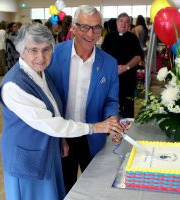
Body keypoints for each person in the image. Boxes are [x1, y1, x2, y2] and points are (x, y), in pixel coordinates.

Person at [0, 23, 122, 200]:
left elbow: (54, 108)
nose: (41, 57)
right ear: (21, 51)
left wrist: (61, 140)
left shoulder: (40, 73)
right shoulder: (13, 85)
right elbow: (51, 123)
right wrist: (95, 127)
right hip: (27, 158)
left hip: (47, 151)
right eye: (33, 50)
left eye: (46, 49)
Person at [48, 5, 119, 193]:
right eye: (84, 27)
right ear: (73, 27)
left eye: (96, 28)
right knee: (64, 188)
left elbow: (111, 100)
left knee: (95, 190)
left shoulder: (109, 63)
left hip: (93, 137)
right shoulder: (54, 55)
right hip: (63, 137)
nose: (91, 33)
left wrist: (112, 117)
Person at [102, 12, 143, 118]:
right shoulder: (109, 36)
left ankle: (128, 130)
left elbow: (138, 56)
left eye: (127, 22)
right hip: (112, 75)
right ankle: (110, 127)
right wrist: (113, 68)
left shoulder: (133, 38)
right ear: (116, 22)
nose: (124, 24)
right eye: (121, 21)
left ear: (129, 25)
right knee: (111, 102)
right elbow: (102, 55)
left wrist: (126, 67)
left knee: (128, 105)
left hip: (128, 76)